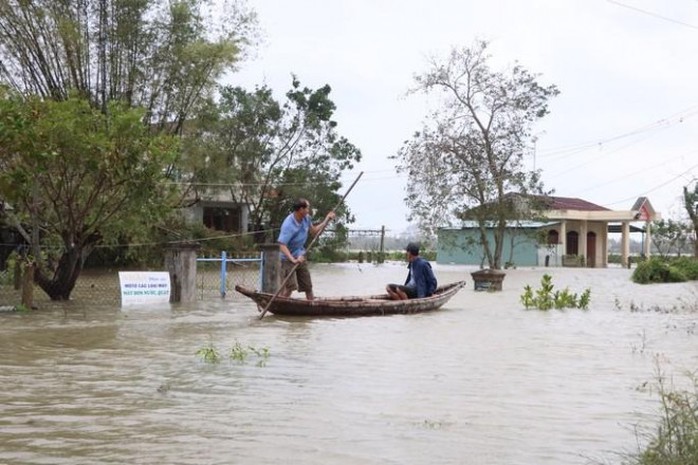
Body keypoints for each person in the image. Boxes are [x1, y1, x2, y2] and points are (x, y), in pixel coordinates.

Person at [277, 198, 335, 300]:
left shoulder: (306, 218)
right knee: (289, 288)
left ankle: (312, 305)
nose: (309, 210)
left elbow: (314, 232)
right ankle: (280, 306)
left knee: (308, 287)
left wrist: (326, 220)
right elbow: (282, 244)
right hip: (288, 259)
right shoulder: (288, 224)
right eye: (307, 208)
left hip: (301, 255)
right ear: (301, 209)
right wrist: (293, 260)